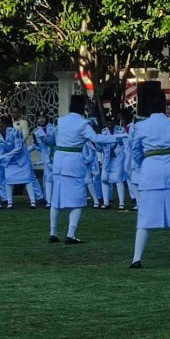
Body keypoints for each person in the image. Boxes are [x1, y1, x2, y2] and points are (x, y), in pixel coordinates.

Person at [128, 93, 170, 268]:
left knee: (145, 215)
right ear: (165, 108)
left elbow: (134, 150)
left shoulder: (141, 126)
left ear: (149, 109)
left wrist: (145, 164)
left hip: (150, 170)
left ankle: (137, 258)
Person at [50, 95, 122, 244]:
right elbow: (96, 139)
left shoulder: (61, 120)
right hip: (73, 161)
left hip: (59, 160)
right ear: (82, 107)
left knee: (56, 199)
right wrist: (118, 137)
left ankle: (53, 232)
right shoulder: (83, 124)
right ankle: (70, 234)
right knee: (78, 200)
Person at [0, 115, 37, 209]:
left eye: (1, 126)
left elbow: (18, 148)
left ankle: (33, 202)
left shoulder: (15, 132)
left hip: (21, 159)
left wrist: (4, 156)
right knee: (9, 180)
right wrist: (0, 156)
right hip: (9, 161)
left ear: (6, 125)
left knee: (27, 180)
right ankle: (10, 203)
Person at [30, 112, 57, 207]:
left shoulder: (54, 129)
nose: (41, 120)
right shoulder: (36, 132)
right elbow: (39, 146)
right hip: (46, 157)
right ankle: (48, 200)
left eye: (43, 118)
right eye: (39, 118)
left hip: (57, 156)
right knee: (48, 178)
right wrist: (46, 160)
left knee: (58, 177)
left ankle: (57, 198)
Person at [100, 116, 127, 209]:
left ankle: (122, 203)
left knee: (118, 180)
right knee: (104, 179)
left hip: (118, 158)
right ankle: (106, 202)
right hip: (108, 157)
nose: (110, 125)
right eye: (108, 123)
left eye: (111, 123)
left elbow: (125, 144)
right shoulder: (103, 131)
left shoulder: (121, 130)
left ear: (114, 123)